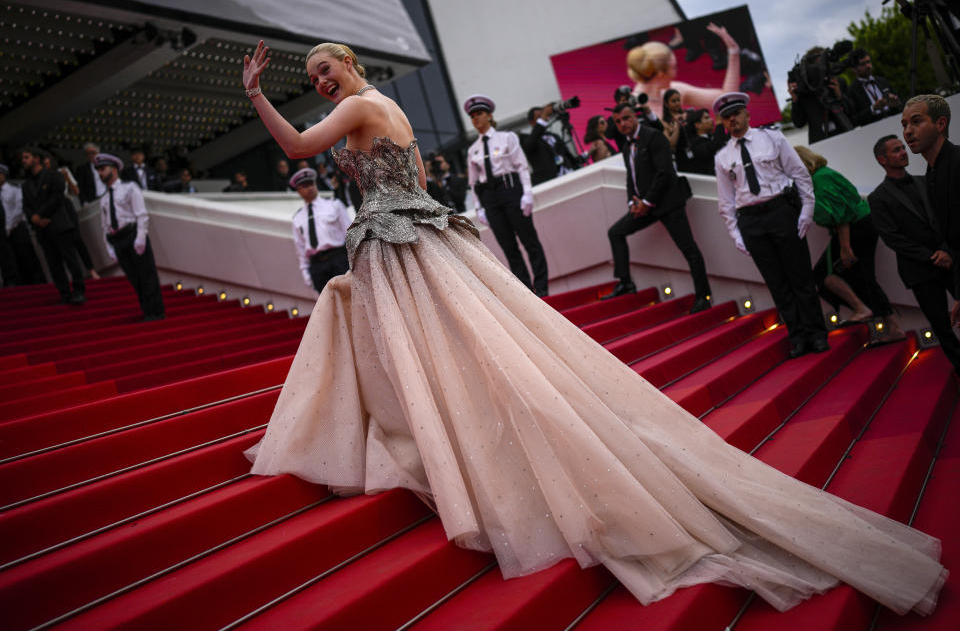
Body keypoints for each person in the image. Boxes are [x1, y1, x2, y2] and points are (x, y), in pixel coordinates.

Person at [240, 39, 946, 618]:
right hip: (422, 233)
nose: (318, 81)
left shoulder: (361, 104)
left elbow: (302, 147)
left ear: (348, 65)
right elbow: (418, 176)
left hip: (401, 245)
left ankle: (416, 443)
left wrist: (257, 97)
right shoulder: (385, 104)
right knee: (447, 345)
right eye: (310, 77)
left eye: (322, 70)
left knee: (429, 350)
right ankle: (411, 437)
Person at [713, 92, 828, 358]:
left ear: (747, 115)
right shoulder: (722, 157)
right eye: (727, 117)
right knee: (777, 284)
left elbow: (799, 174)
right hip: (751, 221)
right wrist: (735, 233)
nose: (733, 120)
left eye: (737, 114)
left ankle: (817, 334)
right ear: (724, 123)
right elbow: (726, 201)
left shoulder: (772, 138)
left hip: (780, 212)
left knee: (801, 278)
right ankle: (797, 337)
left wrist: (806, 211)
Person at [602, 103, 711, 311]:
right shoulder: (626, 147)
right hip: (644, 207)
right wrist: (631, 202)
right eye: (618, 122)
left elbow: (664, 172)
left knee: (689, 249)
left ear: (634, 117)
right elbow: (630, 178)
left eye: (626, 118)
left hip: (669, 203)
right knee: (615, 232)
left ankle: (703, 297)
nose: (622, 124)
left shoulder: (654, 136)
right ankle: (625, 282)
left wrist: (647, 202)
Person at [869, 134, 960, 374]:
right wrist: (933, 256)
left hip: (951, 260)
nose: (903, 152)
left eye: (902, 147)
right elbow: (892, 238)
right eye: (896, 150)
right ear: (882, 159)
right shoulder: (878, 198)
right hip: (920, 270)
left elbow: (949, 217)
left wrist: (946, 250)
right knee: (942, 326)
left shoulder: (926, 181)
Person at [794, 145, 904, 341]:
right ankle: (890, 325)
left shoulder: (820, 179)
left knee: (826, 274)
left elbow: (841, 213)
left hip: (855, 227)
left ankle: (863, 310)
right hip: (862, 224)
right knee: (862, 276)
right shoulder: (822, 175)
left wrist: (845, 247)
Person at [464, 94, 549, 296]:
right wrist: (479, 207)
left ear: (490, 115)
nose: (476, 118)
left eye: (480, 113)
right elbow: (474, 182)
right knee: (508, 246)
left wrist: (527, 193)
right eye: (472, 115)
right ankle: (527, 291)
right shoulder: (473, 150)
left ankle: (543, 288)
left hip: (510, 189)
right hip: (490, 197)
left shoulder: (507, 138)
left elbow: (522, 166)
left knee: (529, 240)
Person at [900, 95, 960, 327]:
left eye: (916, 122)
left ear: (940, 124)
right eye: (904, 125)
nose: (908, 131)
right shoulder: (932, 174)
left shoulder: (956, 162)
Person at [95, 153, 165, 321]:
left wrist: (141, 237)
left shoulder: (130, 187)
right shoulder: (104, 198)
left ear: (114, 169)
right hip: (118, 239)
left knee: (147, 274)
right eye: (98, 170)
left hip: (132, 234)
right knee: (134, 277)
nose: (100, 173)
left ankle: (156, 311)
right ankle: (146, 310)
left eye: (103, 169)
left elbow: (141, 214)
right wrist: (109, 247)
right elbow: (105, 225)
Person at [627, 23, 741, 117]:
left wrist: (733, 52)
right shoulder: (634, 111)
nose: (677, 71)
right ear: (661, 74)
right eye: (674, 67)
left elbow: (726, 99)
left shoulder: (675, 91)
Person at [20, 147, 86, 304]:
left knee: (71, 260)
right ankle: (64, 293)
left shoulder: (54, 176)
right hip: (42, 230)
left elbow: (57, 198)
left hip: (59, 225)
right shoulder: (25, 185)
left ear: (36, 159)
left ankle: (78, 291)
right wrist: (34, 219)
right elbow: (26, 207)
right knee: (53, 264)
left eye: (26, 157)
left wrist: (39, 214)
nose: (23, 161)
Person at [289, 166, 351, 294]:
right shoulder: (297, 218)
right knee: (329, 310)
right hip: (317, 266)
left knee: (349, 300)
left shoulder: (334, 205)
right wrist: (307, 275)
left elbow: (350, 234)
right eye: (304, 186)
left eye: (311, 183)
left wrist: (354, 263)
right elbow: (300, 249)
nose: (310, 188)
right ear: (298, 190)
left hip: (339, 259)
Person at [788, 47, 855, 144]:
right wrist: (795, 100)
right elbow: (798, 123)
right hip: (821, 143)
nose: (825, 67)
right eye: (821, 64)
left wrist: (839, 96)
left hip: (846, 135)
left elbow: (852, 112)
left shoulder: (838, 82)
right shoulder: (804, 91)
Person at [0, 163, 44, 285]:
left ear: (4, 175)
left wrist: (9, 226)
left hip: (17, 228)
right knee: (8, 259)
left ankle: (36, 281)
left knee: (26, 256)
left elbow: (19, 209)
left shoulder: (15, 189)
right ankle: (14, 281)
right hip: (3, 232)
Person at [521, 103, 580, 185]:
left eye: (545, 116)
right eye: (539, 117)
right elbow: (530, 144)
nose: (545, 118)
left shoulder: (555, 136)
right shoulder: (525, 138)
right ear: (531, 122)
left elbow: (569, 157)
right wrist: (543, 116)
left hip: (569, 174)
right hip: (550, 181)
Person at [845, 49, 901, 127]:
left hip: (894, 123)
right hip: (872, 129)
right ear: (853, 69)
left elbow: (900, 105)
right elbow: (853, 120)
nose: (868, 66)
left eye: (868, 62)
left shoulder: (882, 81)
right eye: (863, 64)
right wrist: (873, 108)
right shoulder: (851, 90)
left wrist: (896, 103)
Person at [676, 108, 725, 175]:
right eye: (707, 118)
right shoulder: (695, 144)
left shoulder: (712, 137)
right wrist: (719, 124)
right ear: (697, 125)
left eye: (710, 117)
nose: (711, 119)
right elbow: (716, 144)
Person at [75, 142, 105, 206]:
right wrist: (84, 201)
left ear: (98, 153)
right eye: (88, 153)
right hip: (91, 201)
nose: (91, 155)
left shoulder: (106, 166)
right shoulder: (82, 169)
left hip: (105, 198)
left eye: (93, 153)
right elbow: (79, 187)